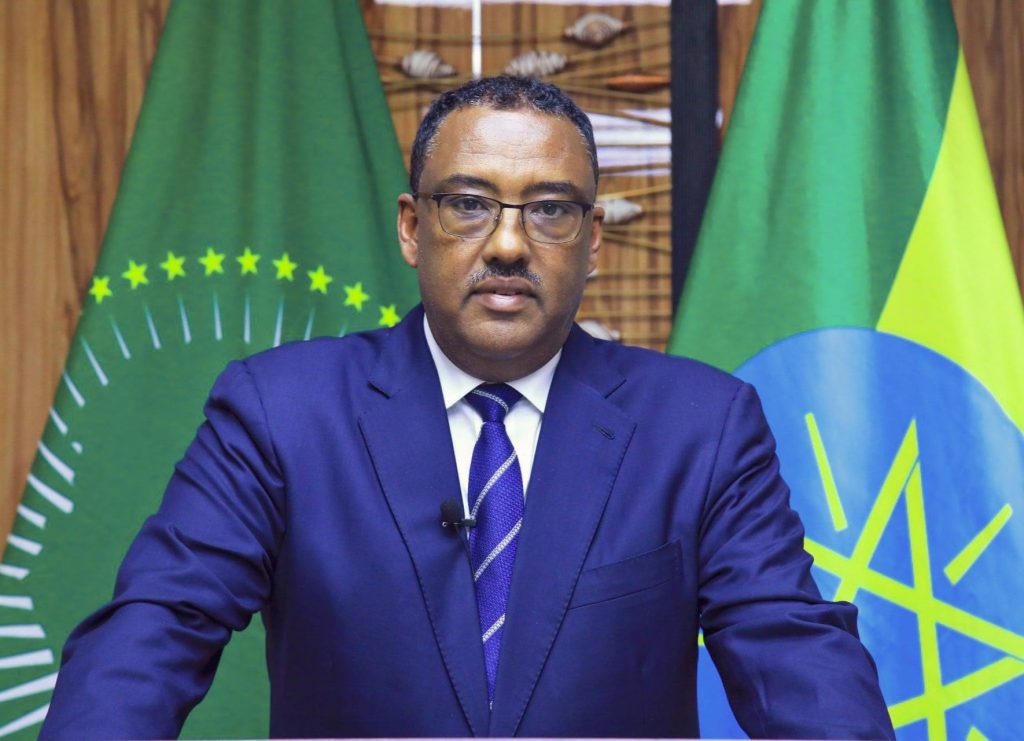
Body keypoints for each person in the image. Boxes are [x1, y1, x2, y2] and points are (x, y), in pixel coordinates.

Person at [42, 76, 894, 739]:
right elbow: (156, 628)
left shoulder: (700, 427)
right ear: (413, 227)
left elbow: (794, 657)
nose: (510, 243)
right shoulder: (281, 413)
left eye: (550, 210)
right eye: (469, 204)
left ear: (594, 241)